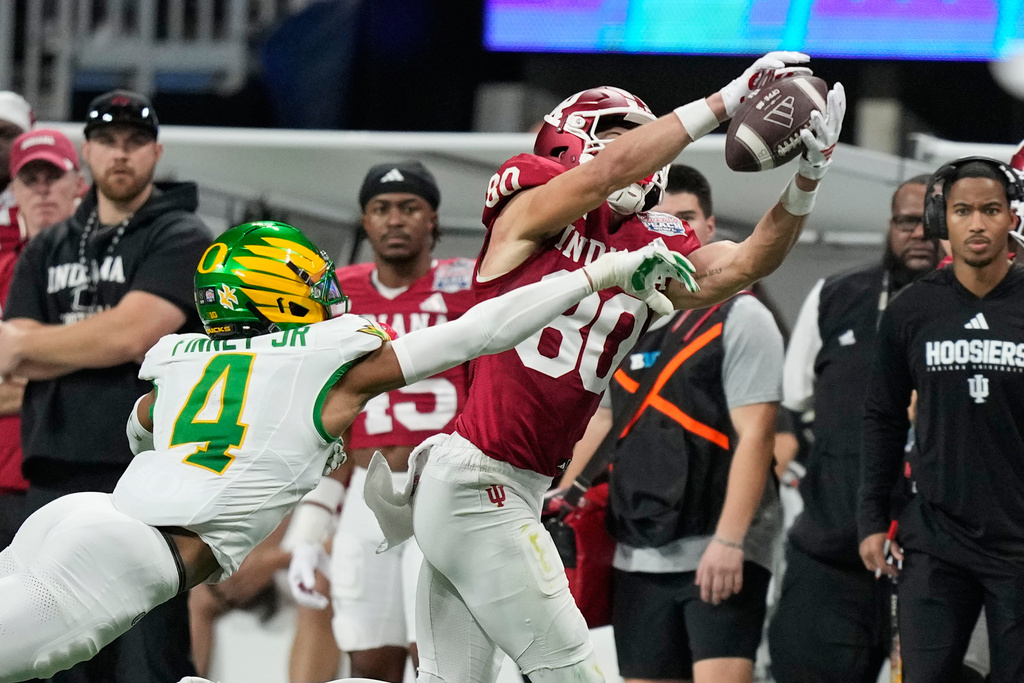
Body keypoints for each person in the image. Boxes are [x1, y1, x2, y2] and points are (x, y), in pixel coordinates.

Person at [0, 219, 697, 682]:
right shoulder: (330, 361)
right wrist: (600, 275)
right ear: (273, 291)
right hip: (134, 557)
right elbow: (477, 331)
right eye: (308, 283)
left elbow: (145, 421)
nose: (326, 297)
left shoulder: (184, 358)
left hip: (84, 517)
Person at [361, 53, 846, 683]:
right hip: (478, 481)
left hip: (509, 486)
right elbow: (607, 173)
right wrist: (725, 101)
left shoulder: (652, 244)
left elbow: (746, 262)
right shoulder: (529, 206)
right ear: (571, 139)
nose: (639, 157)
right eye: (619, 137)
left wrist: (808, 177)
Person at [0, 89, 212, 683]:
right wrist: (85, 345)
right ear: (87, 151)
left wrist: (51, 347)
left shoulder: (181, 234)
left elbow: (134, 333)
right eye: (108, 143)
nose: (121, 155)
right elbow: (11, 355)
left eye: (135, 143)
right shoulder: (49, 245)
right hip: (52, 480)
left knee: (147, 662)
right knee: (50, 659)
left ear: (157, 152)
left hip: (145, 479)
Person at [566, 163, 784, 683]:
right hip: (638, 549)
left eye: (686, 221)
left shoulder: (743, 316)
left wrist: (731, 543)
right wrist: (549, 493)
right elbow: (600, 419)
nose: (674, 237)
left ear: (708, 228)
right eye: (662, 225)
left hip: (720, 547)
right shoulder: (628, 318)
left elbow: (758, 435)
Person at [285, 160, 476, 682]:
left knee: (435, 653)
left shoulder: (467, 286)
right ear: (364, 221)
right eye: (381, 208)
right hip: (367, 491)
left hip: (442, 485)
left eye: (409, 207)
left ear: (433, 220)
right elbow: (327, 420)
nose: (395, 220)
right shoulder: (335, 299)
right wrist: (310, 526)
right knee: (368, 657)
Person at [766, 174, 939, 682]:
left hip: (936, 566)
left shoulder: (986, 312)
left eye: (931, 223)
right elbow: (790, 403)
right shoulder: (836, 295)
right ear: (889, 226)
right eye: (907, 222)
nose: (919, 234)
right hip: (832, 554)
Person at [857, 156, 1024, 682]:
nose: (977, 223)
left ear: (1011, 220)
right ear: (942, 221)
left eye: (991, 210)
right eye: (963, 211)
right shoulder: (911, 310)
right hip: (934, 539)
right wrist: (869, 520)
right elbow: (882, 417)